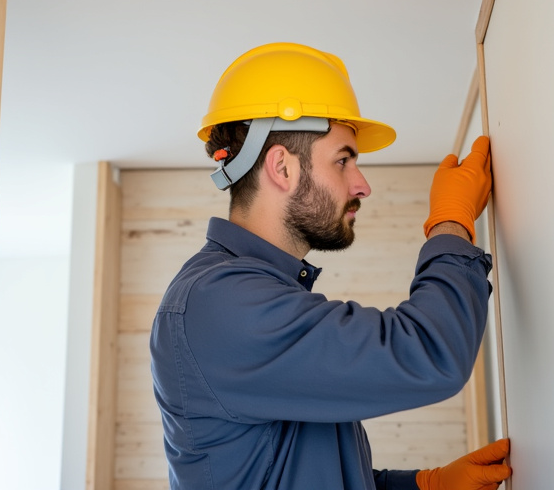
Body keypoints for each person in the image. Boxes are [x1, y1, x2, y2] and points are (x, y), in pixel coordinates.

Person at [150, 42, 511, 490]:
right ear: (282, 168)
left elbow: (314, 475)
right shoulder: (219, 302)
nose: (361, 185)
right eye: (343, 160)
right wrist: (451, 223)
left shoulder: (253, 295)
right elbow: (430, 353)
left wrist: (424, 486)